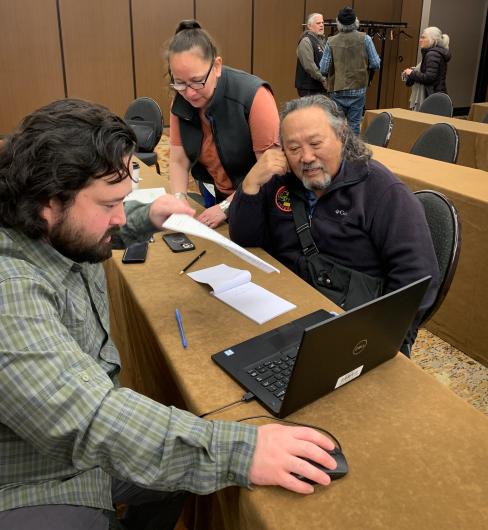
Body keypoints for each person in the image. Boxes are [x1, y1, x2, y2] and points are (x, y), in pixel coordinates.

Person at [0, 98, 340, 530]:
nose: (118, 217)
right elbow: (89, 420)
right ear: (49, 202)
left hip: (71, 451)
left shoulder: (44, 221)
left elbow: (86, 224)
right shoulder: (8, 289)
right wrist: (243, 450)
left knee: (179, 472)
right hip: (30, 479)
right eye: (110, 205)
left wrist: (148, 216)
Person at [229, 95, 439, 353]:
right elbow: (245, 240)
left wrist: (379, 340)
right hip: (283, 314)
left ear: (341, 135)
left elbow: (418, 277)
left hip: (352, 326)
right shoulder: (280, 181)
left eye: (315, 143)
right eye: (293, 148)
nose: (306, 157)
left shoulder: (382, 190)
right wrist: (250, 185)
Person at [167, 20, 280, 229]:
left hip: (260, 199)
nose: (189, 92)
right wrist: (179, 198)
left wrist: (227, 207)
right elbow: (178, 160)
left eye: (197, 81)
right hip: (216, 193)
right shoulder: (181, 99)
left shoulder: (254, 96)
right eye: (180, 82)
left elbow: (269, 169)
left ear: (217, 66)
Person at [319, 6, 380, 134]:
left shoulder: (331, 41)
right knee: (354, 126)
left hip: (337, 90)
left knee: (337, 127)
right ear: (355, 22)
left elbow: (323, 68)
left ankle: (337, 151)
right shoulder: (366, 39)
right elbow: (375, 63)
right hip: (358, 89)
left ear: (338, 23)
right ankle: (353, 152)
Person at [402, 26, 451, 109]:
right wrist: (417, 70)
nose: (420, 40)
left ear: (433, 40)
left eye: (423, 37)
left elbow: (430, 78)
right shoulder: (434, 53)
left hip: (432, 95)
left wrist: (411, 73)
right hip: (436, 94)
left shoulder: (432, 54)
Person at [294, 13, 328, 97]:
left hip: (318, 87)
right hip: (308, 88)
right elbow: (309, 65)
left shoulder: (322, 40)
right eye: (318, 23)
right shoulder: (306, 40)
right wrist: (323, 79)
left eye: (322, 23)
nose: (321, 25)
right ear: (309, 26)